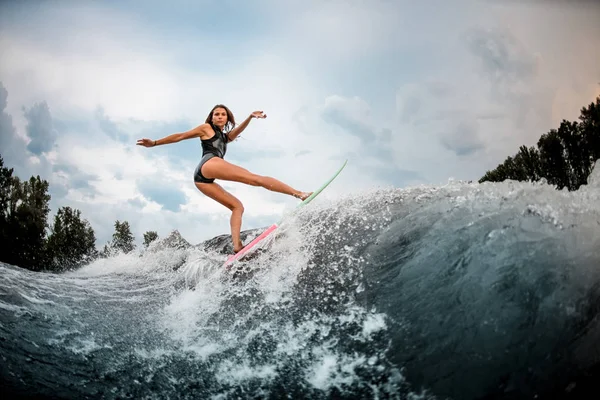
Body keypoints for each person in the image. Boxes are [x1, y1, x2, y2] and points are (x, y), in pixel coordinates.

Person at [136, 104, 312, 254]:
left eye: (223, 114)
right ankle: (299, 193)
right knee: (254, 179)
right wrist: (155, 143)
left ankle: (237, 247)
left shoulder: (224, 136)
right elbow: (181, 136)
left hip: (201, 180)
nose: (219, 116)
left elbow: (235, 132)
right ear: (211, 118)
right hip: (209, 163)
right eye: (216, 114)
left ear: (227, 119)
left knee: (237, 207)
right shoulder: (206, 128)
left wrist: (249, 118)